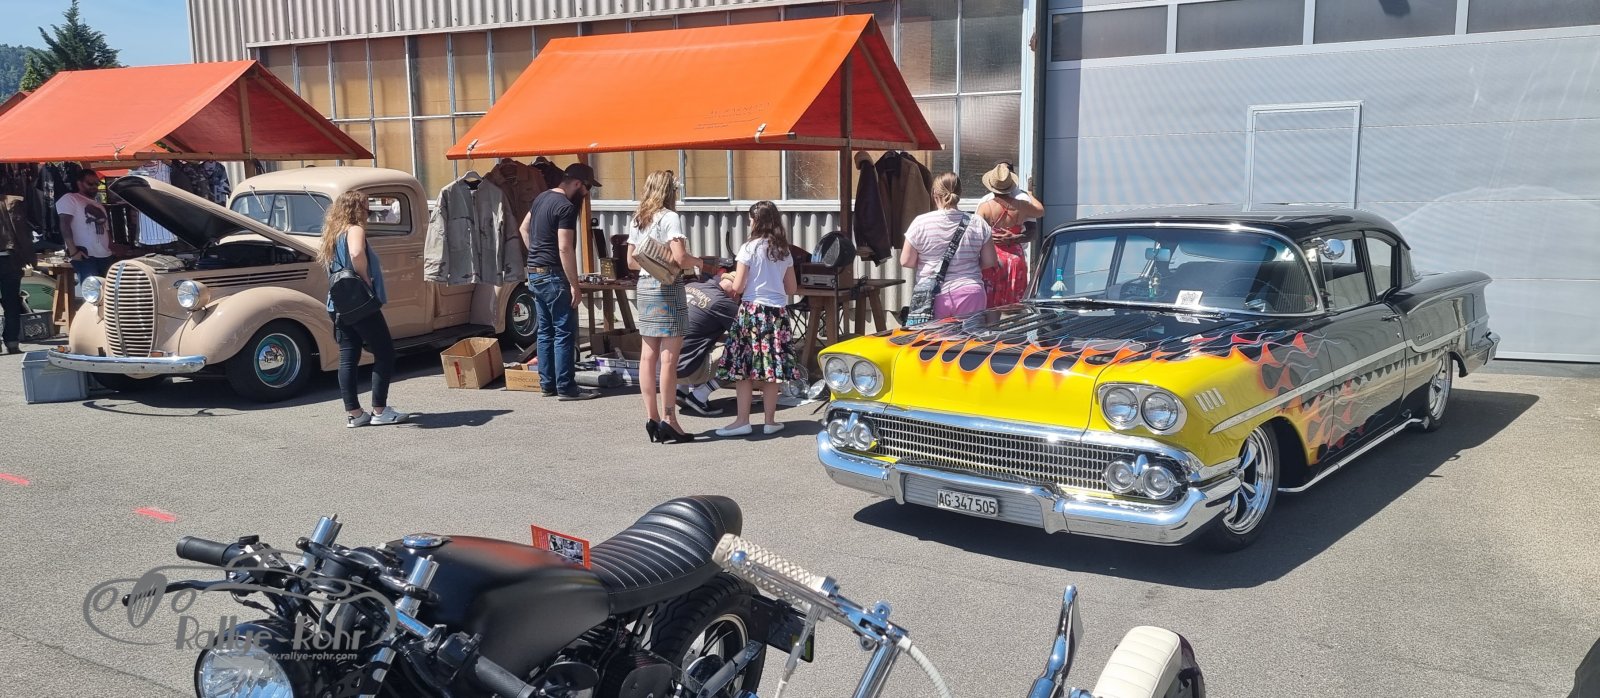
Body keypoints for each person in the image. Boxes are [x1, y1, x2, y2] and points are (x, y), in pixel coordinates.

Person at [626, 170, 704, 443]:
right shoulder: (670, 217)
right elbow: (680, 258)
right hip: (667, 288)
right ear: (669, 191)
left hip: (644, 287)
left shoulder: (638, 217)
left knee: (648, 356)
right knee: (669, 358)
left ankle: (652, 418)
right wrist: (699, 262)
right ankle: (670, 419)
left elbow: (631, 261)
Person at [318, 191, 406, 428]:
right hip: (359, 301)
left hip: (338, 303)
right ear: (356, 209)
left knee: (348, 355)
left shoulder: (331, 233)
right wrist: (366, 280)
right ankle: (380, 410)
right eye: (366, 207)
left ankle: (355, 414)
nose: (368, 212)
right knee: (385, 352)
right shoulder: (354, 229)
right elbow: (356, 253)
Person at [715, 201, 803, 437]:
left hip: (752, 313)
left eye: (750, 220)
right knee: (771, 370)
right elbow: (792, 288)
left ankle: (742, 421)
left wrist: (727, 279)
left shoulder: (749, 248)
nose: (749, 223)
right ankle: (770, 421)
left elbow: (738, 286)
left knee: (743, 368)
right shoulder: (784, 251)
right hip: (776, 315)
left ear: (756, 222)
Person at [522, 163, 603, 401]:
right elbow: (565, 247)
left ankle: (547, 385)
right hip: (553, 276)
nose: (587, 193)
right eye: (587, 188)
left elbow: (523, 228)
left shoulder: (541, 198)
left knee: (545, 332)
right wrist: (574, 285)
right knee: (564, 332)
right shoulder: (565, 207)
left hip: (535, 273)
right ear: (577, 183)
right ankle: (567, 387)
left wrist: (536, 254)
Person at [901, 172, 997, 320]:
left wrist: (929, 262)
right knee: (970, 335)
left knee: (933, 336)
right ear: (960, 193)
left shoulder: (920, 222)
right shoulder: (978, 222)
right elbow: (990, 261)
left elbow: (906, 261)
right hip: (970, 292)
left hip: (933, 296)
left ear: (934, 194)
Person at [675, 260, 741, 417]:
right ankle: (699, 396)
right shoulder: (723, 302)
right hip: (688, 370)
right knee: (745, 352)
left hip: (665, 367)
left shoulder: (692, 285)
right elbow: (744, 335)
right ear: (735, 294)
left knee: (694, 338)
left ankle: (680, 390)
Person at [977, 163, 1046, 308]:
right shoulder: (1021, 205)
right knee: (1015, 306)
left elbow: (976, 234)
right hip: (1015, 258)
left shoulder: (985, 207)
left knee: (991, 306)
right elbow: (1041, 211)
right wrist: (1029, 194)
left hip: (992, 258)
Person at [56, 170, 114, 285]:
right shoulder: (70, 198)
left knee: (109, 291)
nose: (94, 187)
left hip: (105, 255)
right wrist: (73, 252)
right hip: (85, 255)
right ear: (79, 183)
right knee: (92, 291)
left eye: (97, 184)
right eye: (90, 183)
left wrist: (112, 248)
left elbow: (106, 230)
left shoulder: (98, 205)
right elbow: (64, 224)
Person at [1, 194, 36, 355]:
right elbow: (20, 231)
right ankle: (12, 342)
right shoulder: (12, 201)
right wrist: (29, 257)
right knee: (12, 302)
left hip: (9, 257)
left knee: (12, 302)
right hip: (10, 258)